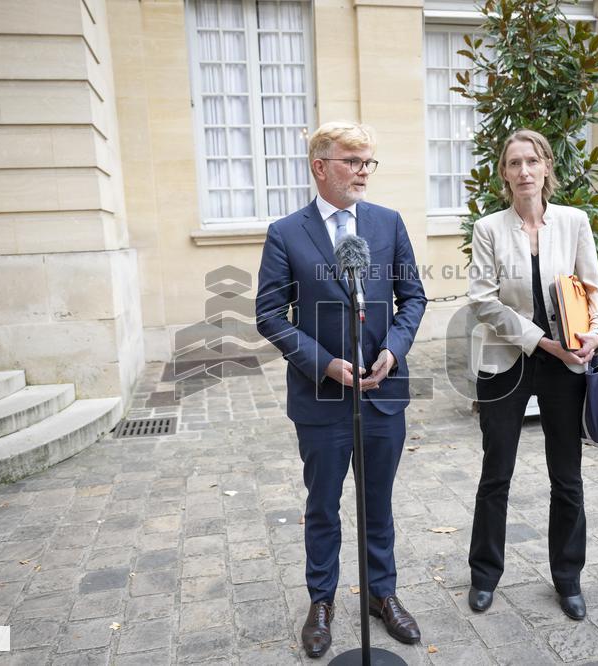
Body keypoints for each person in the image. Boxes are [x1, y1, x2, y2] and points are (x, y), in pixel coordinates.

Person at [255, 121, 427, 658]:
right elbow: (269, 315)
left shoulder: (388, 223)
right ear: (320, 166)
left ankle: (382, 594)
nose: (363, 171)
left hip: (381, 391)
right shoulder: (286, 232)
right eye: (352, 160)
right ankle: (322, 601)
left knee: (379, 502)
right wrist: (324, 363)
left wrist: (393, 349)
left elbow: (413, 298)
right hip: (321, 399)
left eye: (368, 161)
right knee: (324, 505)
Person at [466, 128, 598, 621]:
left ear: (546, 166)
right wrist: (538, 339)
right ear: (503, 174)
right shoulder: (488, 228)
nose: (523, 171)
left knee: (566, 476)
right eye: (513, 163)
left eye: (532, 161)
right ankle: (485, 575)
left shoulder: (573, 222)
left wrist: (595, 332)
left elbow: (593, 288)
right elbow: (482, 300)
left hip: (565, 361)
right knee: (496, 473)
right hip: (505, 361)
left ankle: (568, 578)